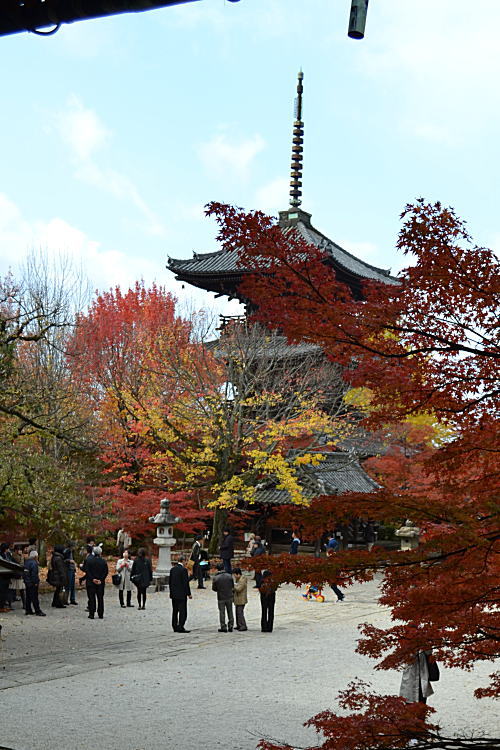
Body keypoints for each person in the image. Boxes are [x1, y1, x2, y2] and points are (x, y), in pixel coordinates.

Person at [83, 545, 108, 619]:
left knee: (91, 598)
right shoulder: (103, 561)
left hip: (91, 582)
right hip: (100, 582)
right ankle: (100, 613)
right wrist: (101, 579)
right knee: (100, 598)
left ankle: (91, 613)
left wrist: (93, 579)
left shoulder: (89, 560)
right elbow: (106, 572)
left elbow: (87, 571)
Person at [169, 556, 192, 633]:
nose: (186, 563)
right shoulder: (183, 570)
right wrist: (188, 593)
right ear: (183, 561)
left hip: (174, 594)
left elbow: (170, 582)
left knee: (175, 611)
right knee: (182, 611)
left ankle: (174, 626)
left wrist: (171, 592)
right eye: (185, 561)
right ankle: (181, 626)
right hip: (181, 594)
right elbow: (185, 583)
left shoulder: (172, 570)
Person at [212, 562, 234, 632]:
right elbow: (232, 586)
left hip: (221, 597)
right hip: (229, 596)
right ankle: (231, 625)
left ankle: (223, 626)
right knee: (230, 611)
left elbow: (214, 588)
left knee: (222, 612)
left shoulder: (216, 578)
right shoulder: (229, 576)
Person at [23, 550, 45, 616]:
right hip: (32, 582)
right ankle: (38, 611)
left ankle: (28, 610)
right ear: (35, 556)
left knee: (28, 597)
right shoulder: (34, 563)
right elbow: (34, 574)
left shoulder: (26, 562)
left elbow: (25, 572)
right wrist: (35, 582)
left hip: (27, 582)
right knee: (35, 597)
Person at [326, 534, 345, 601]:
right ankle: (340, 595)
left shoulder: (332, 556)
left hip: (334, 571)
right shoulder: (335, 554)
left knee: (333, 585)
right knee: (333, 585)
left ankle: (340, 596)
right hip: (335, 571)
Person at [9, 544, 26, 609]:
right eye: (19, 550)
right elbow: (21, 563)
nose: (20, 551)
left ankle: (24, 604)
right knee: (12, 589)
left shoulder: (17, 555)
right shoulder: (14, 555)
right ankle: (10, 605)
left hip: (19, 574)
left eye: (20, 550)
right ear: (16, 550)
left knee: (21, 590)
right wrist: (22, 556)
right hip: (16, 575)